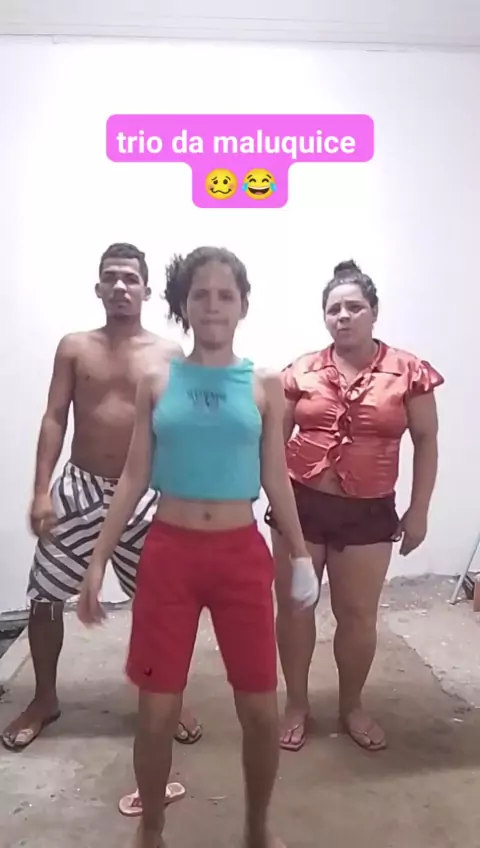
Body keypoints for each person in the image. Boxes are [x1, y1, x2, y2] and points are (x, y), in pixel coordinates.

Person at [77, 246, 319, 848]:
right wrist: (98, 558)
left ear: (243, 305)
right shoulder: (158, 380)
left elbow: (276, 476)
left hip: (240, 557)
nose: (213, 306)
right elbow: (134, 475)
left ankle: (257, 827)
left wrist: (297, 553)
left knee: (259, 710)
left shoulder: (264, 384)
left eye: (225, 295)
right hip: (170, 556)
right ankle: (152, 828)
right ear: (183, 304)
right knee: (157, 712)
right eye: (200, 295)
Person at [2, 243, 201, 780]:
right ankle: (44, 698)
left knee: (162, 604)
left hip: (146, 492)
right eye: (110, 277)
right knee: (45, 597)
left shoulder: (169, 353)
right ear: (98, 288)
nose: (120, 286)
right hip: (79, 488)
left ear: (146, 290)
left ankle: (166, 697)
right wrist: (40, 490)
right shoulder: (75, 347)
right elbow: (54, 418)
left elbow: (181, 429)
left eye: (130, 278)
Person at [266, 259, 444, 753]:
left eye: (354, 307)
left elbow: (426, 441)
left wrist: (419, 510)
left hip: (368, 512)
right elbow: (273, 443)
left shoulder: (409, 371)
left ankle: (352, 706)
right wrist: (270, 499)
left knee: (358, 615)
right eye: (334, 309)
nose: (343, 316)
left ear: (374, 312)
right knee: (295, 608)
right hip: (300, 507)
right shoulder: (301, 370)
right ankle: (296, 704)